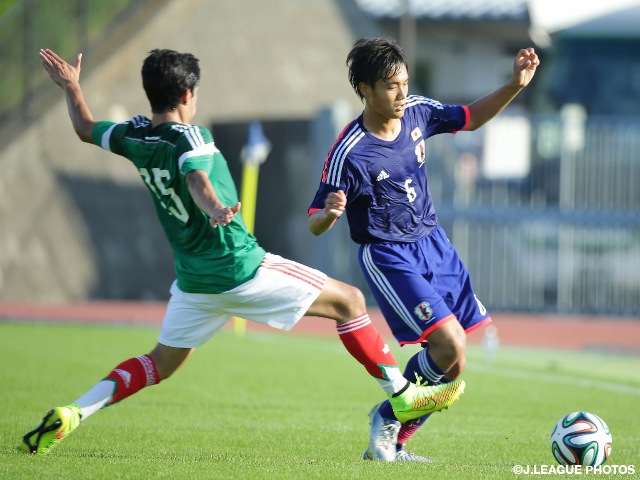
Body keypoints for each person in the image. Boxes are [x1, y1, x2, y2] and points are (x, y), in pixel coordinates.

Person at [19, 48, 466, 456]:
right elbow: (195, 177)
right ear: (187, 93)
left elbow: (83, 128)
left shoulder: (135, 137)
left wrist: (73, 87)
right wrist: (214, 206)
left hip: (194, 283)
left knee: (159, 363)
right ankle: (401, 392)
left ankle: (76, 411)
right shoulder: (191, 137)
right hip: (240, 268)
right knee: (349, 301)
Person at [308, 38, 539, 462]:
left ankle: (395, 445)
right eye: (390, 86)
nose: (401, 94)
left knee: (454, 362)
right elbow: (314, 222)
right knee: (449, 344)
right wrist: (329, 214)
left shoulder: (417, 110)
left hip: (434, 244)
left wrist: (514, 85)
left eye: (404, 83)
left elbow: (468, 118)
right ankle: (386, 415)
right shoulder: (349, 152)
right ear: (364, 89)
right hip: (388, 254)